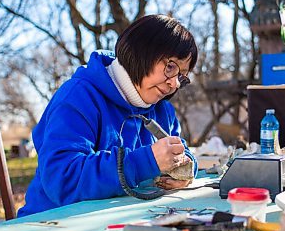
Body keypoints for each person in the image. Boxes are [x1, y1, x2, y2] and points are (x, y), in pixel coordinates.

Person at [17, 14, 198, 218]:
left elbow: (180, 150)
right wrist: (145, 162)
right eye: (170, 67)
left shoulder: (162, 109)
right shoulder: (78, 97)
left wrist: (184, 169)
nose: (174, 84)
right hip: (52, 225)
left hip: (118, 220)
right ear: (141, 51)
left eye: (181, 76)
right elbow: (63, 179)